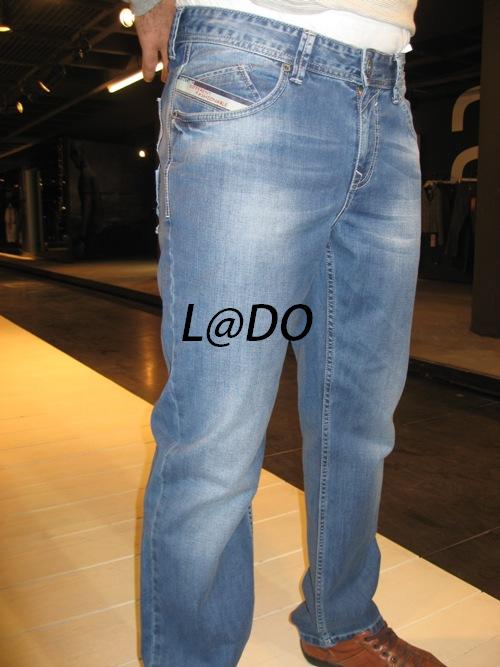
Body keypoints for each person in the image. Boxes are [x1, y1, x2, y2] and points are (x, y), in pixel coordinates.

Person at [130, 0, 448, 665]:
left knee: (360, 415)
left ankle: (341, 619)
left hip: (387, 95)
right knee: (217, 428)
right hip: (251, 65)